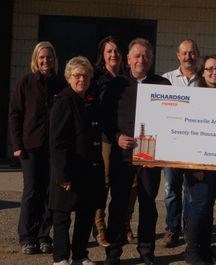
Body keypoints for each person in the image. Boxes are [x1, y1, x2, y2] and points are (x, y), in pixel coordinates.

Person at [102, 38, 170, 265]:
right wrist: (116, 137)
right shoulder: (116, 84)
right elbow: (106, 119)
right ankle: (113, 252)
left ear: (151, 60)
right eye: (137, 55)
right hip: (122, 156)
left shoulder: (162, 85)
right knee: (118, 204)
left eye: (146, 56)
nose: (141, 59)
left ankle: (147, 251)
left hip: (150, 155)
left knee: (148, 204)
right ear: (128, 59)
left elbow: (170, 121)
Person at [8, 41, 66, 255]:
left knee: (50, 191)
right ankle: (27, 237)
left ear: (54, 60)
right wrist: (16, 145)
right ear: (35, 59)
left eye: (49, 57)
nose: (45, 61)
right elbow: (15, 114)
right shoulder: (25, 82)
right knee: (32, 191)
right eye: (42, 57)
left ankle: (44, 235)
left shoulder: (61, 84)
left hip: (53, 149)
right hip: (30, 147)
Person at [49, 56, 105, 265]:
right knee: (62, 215)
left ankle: (80, 255)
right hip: (69, 170)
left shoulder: (91, 100)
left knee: (86, 212)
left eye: (85, 75)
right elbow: (57, 142)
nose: (81, 79)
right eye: (77, 75)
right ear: (68, 77)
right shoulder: (63, 101)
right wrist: (62, 174)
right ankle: (61, 258)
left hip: (89, 169)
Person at [184, 55, 216, 265]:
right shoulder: (194, 97)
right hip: (198, 165)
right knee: (198, 206)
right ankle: (192, 252)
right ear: (202, 73)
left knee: (208, 206)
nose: (214, 72)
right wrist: (194, 166)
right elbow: (188, 131)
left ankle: (205, 249)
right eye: (209, 69)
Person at [161, 39, 200, 247]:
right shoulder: (166, 79)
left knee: (192, 191)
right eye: (185, 53)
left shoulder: (205, 80)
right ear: (178, 55)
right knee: (171, 190)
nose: (188, 57)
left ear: (198, 55)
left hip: (195, 147)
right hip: (171, 146)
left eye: (192, 53)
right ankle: (172, 229)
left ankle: (189, 230)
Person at [89, 35, 127, 248]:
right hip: (104, 137)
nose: (114, 54)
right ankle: (99, 228)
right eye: (109, 51)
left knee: (128, 184)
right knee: (102, 183)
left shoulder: (127, 78)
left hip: (126, 137)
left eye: (117, 51)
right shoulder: (96, 78)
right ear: (102, 56)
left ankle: (124, 226)